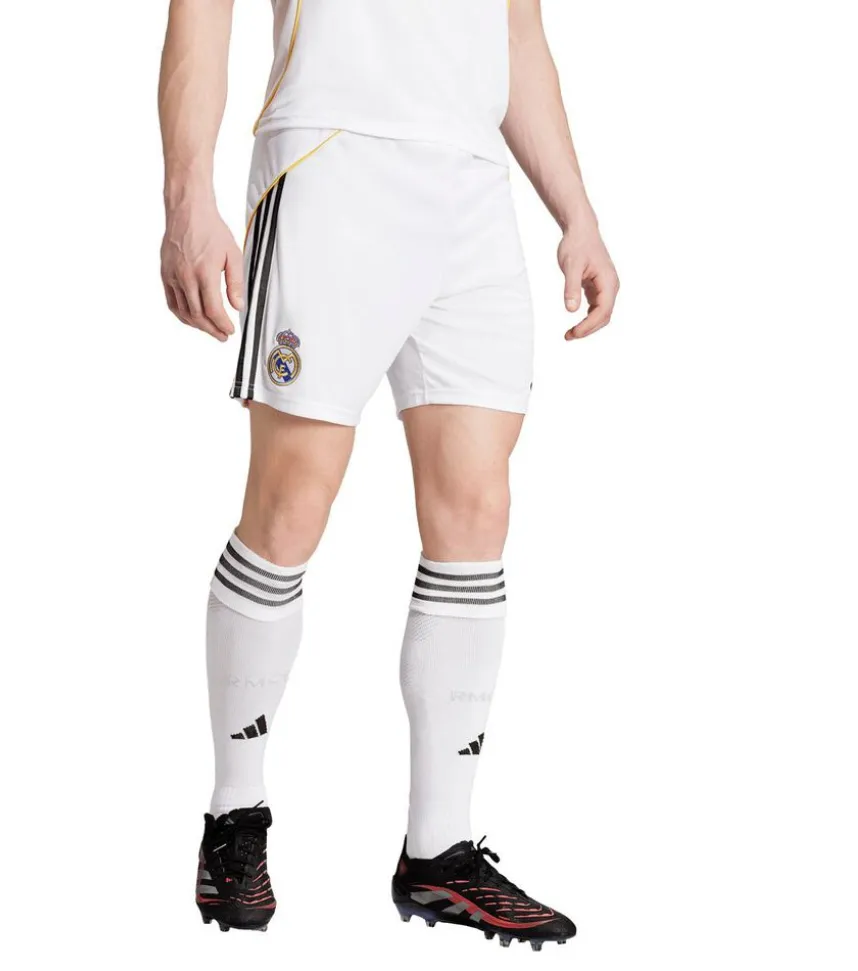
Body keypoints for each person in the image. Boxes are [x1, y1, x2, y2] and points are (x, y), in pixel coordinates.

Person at [158, 0, 618, 949]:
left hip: (471, 182)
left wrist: (577, 211)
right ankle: (234, 816)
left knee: (477, 507)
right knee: (291, 501)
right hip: (333, 156)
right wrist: (187, 195)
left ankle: (439, 850)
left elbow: (517, 30)